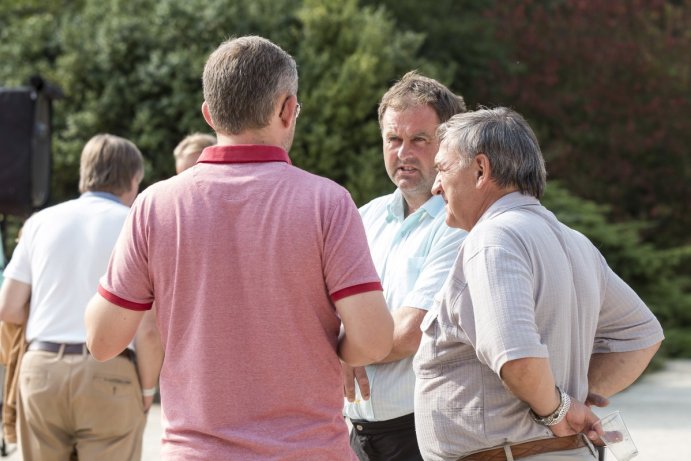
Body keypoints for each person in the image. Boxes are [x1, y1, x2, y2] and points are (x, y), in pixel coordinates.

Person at [84, 35, 394, 460]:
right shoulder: (328, 202)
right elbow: (375, 339)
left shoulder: (155, 205)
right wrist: (332, 348)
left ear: (209, 114)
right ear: (287, 109)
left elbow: (102, 340)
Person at [413, 107, 664, 461]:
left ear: (481, 170)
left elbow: (517, 358)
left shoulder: (493, 238)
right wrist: (565, 397)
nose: (436, 185)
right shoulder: (573, 240)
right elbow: (642, 336)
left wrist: (558, 408)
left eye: (442, 168)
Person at [0, 134, 160, 461]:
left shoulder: (38, 223)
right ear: (133, 179)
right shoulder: (136, 225)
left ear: (84, 173)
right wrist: (146, 391)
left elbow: (8, 307)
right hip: (109, 373)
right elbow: (148, 328)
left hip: (41, 371)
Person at [342, 71, 467, 461]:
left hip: (423, 437)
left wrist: (341, 353)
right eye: (393, 139)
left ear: (447, 144)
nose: (403, 153)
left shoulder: (459, 225)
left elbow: (413, 331)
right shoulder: (362, 218)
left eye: (419, 140)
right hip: (357, 434)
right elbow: (320, 312)